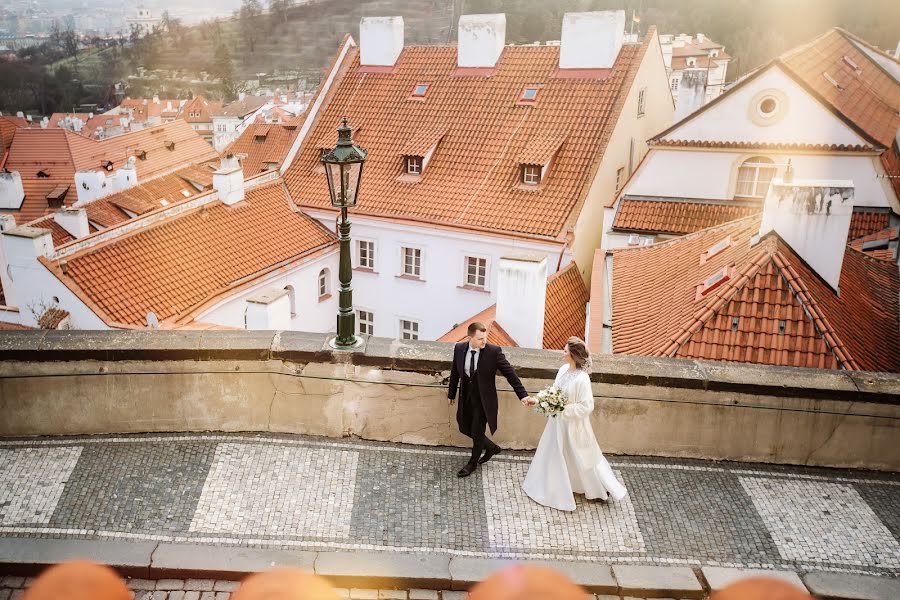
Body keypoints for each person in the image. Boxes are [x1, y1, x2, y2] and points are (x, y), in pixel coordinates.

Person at [522, 336, 627, 511]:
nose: (562, 353)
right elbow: (553, 391)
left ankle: (598, 488)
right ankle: (555, 486)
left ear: (573, 355)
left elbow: (587, 406)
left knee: (581, 456)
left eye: (565, 351)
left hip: (573, 426)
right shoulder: (563, 370)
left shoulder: (582, 379)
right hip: (556, 424)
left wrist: (563, 410)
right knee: (555, 453)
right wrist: (537, 400)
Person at [448, 322, 533, 477]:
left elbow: (510, 373)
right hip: (465, 395)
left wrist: (523, 395)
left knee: (477, 430)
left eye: (485, 337)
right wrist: (451, 393)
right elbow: (455, 371)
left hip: (483, 399)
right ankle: (492, 447)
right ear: (470, 338)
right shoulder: (459, 349)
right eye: (480, 339)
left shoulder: (493, 352)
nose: (484, 341)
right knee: (463, 426)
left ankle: (472, 463)